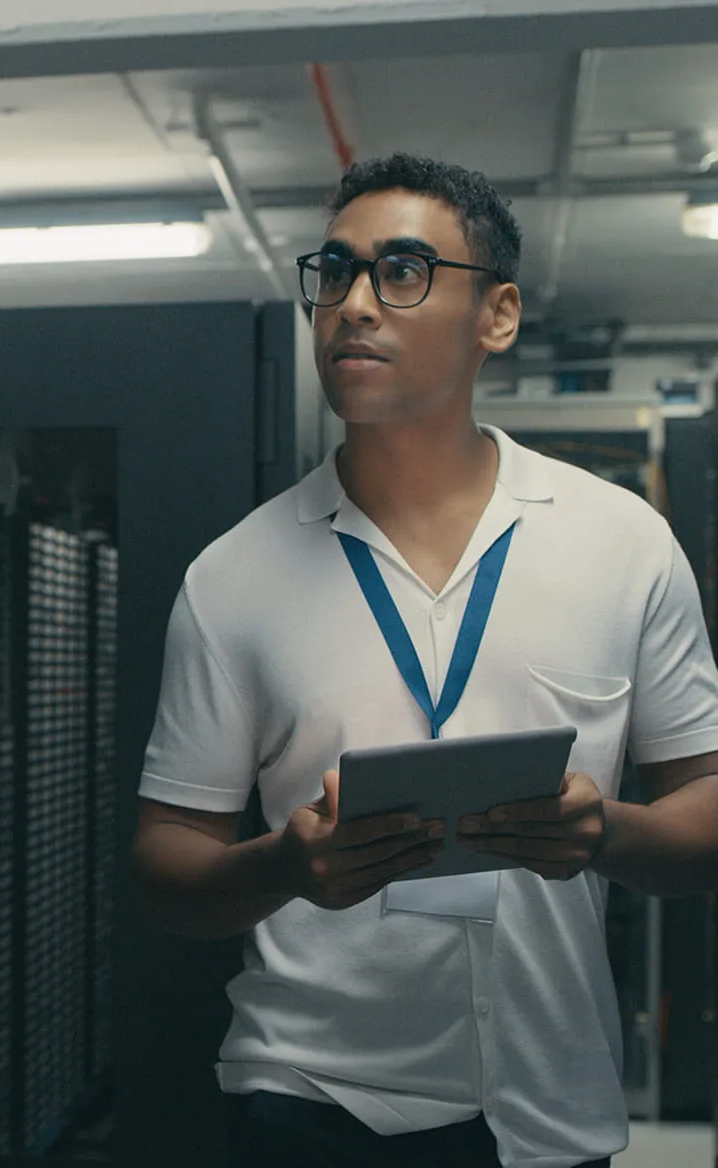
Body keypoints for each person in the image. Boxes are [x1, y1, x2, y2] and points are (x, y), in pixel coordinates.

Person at [131, 152, 718, 1168]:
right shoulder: (231, 577)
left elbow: (702, 810)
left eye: (401, 271)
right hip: (306, 1101)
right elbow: (163, 864)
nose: (354, 303)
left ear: (496, 314)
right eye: (336, 271)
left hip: (548, 1107)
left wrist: (600, 829)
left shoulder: (620, 543)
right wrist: (285, 863)